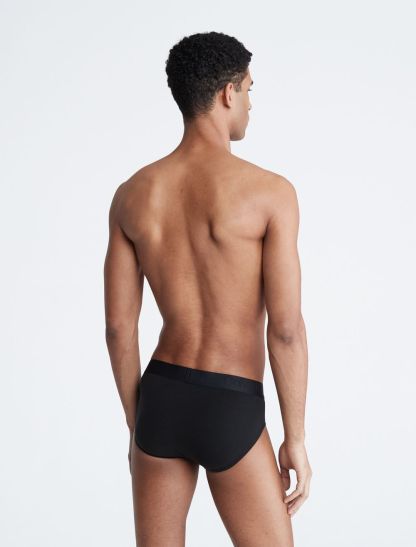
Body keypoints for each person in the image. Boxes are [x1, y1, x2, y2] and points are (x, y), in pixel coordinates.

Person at [104, 31, 312, 547]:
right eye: (249, 89)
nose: (250, 104)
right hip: (230, 402)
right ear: (227, 93)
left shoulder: (132, 195)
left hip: (161, 397)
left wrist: (137, 424)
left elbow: (118, 328)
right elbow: (285, 331)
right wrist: (295, 437)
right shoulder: (270, 193)